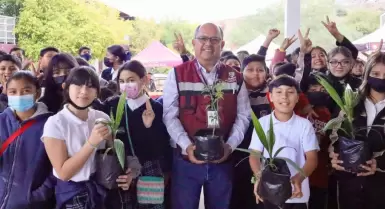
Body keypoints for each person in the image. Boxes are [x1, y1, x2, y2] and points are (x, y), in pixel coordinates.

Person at [163, 23, 250, 209]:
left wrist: (229, 146)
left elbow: (243, 116)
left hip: (223, 158)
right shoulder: (177, 74)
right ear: (194, 43)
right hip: (186, 159)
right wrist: (187, 147)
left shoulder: (235, 77)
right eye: (203, 38)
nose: (208, 44)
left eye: (214, 39)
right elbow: (169, 116)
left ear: (222, 44)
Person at [42, 67, 130, 209]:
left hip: (102, 189)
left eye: (90, 86)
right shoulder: (55, 123)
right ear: (66, 88)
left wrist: (110, 142)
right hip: (73, 195)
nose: (84, 91)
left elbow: (112, 156)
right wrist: (92, 143)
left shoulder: (102, 118)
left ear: (97, 92)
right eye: (78, 84)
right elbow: (64, 173)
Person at [330, 52, 385, 209]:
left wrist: (379, 162)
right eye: (376, 74)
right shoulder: (351, 103)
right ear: (367, 75)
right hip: (349, 184)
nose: (382, 78)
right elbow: (335, 134)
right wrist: (334, 155)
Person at [100, 60, 171, 209]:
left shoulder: (156, 109)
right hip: (121, 169)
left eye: (131, 80)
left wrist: (148, 126)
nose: (126, 85)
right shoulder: (112, 105)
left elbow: (161, 148)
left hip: (149, 170)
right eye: (122, 81)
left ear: (144, 80)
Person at [249, 75, 319, 209]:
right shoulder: (263, 123)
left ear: (298, 97)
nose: (284, 97)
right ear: (270, 96)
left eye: (290, 92)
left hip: (296, 191)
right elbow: (254, 155)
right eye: (279, 92)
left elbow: (312, 158)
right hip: (270, 189)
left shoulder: (304, 125)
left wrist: (299, 178)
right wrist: (259, 176)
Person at [0, 71, 54, 209]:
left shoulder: (51, 124)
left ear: (37, 93)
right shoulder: (1, 121)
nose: (19, 96)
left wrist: (36, 196)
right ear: (6, 93)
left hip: (32, 204)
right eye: (13, 91)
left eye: (26, 91)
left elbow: (57, 168)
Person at [230, 54, 270, 209]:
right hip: (237, 153)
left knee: (260, 197)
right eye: (250, 70)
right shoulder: (233, 93)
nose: (255, 74)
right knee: (238, 194)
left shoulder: (274, 93)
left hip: (265, 156)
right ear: (241, 72)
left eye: (260, 70)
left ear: (266, 72)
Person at [305, 73, 332, 209]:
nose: (318, 93)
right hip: (300, 171)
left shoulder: (327, 113)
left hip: (320, 170)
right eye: (313, 89)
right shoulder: (297, 109)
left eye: (323, 89)